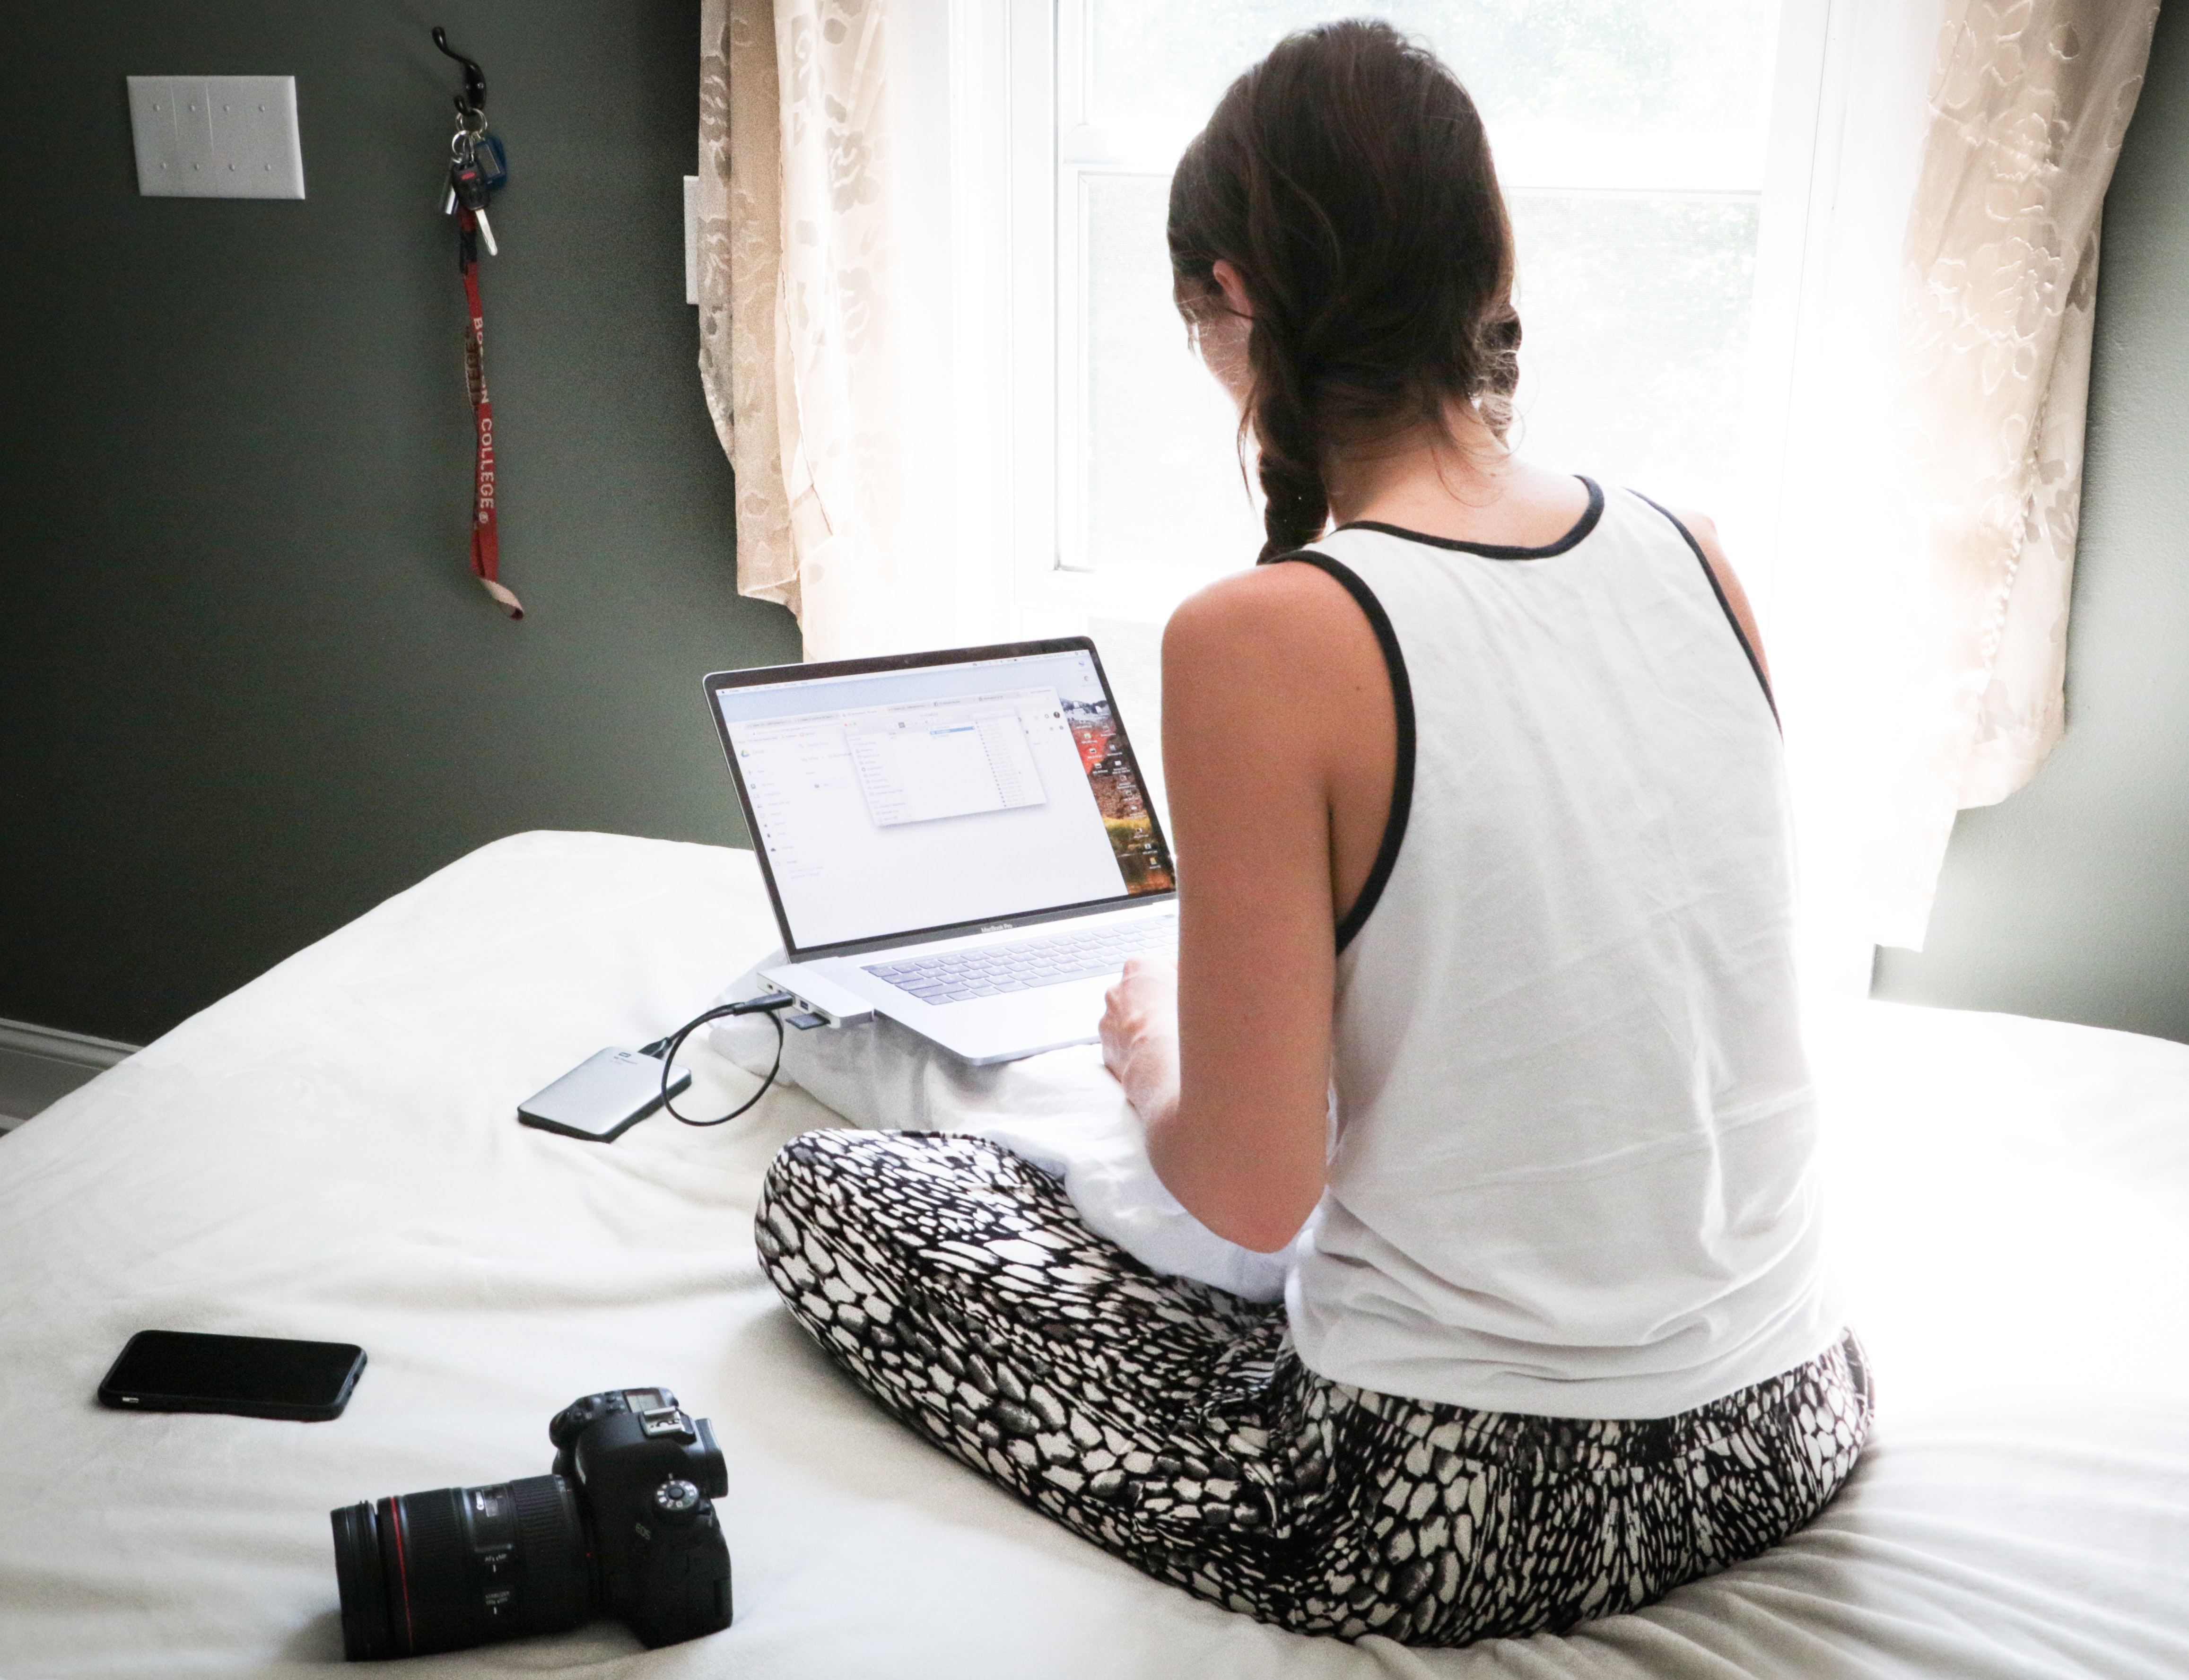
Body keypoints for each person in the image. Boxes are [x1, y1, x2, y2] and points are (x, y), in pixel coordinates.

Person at [756, 19, 1870, 1646]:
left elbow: (1252, 1192)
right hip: (1795, 1413)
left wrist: (1148, 1053)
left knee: (834, 1194)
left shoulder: (1261, 637)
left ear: (1231, 305)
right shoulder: (1691, 545)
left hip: (1469, 1500)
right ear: (1485, 261)